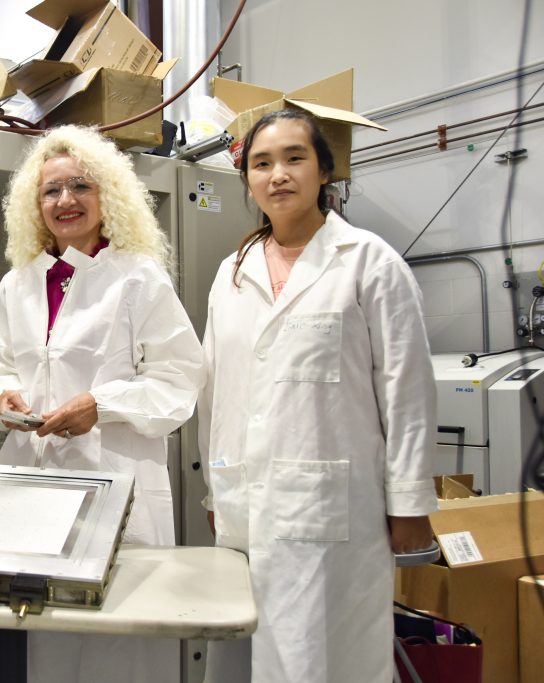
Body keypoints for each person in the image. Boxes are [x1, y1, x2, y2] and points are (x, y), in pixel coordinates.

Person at [197, 109, 438, 683]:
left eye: (294, 158)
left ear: (325, 171)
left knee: (321, 655)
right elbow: (216, 392)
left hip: (333, 507)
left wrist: (408, 502)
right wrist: (216, 486)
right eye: (261, 163)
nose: (277, 174)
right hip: (243, 501)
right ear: (248, 179)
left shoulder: (368, 262)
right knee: (244, 649)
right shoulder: (232, 273)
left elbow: (407, 389)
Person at [0, 125, 204, 682]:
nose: (65, 200)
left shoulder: (137, 278)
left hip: (115, 484)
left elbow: (179, 381)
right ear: (35, 204)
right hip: (32, 484)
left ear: (108, 197)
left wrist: (103, 404)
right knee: (36, 639)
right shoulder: (16, 286)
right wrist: (2, 397)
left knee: (115, 650)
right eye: (51, 191)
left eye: (80, 186)